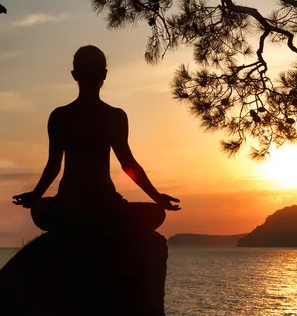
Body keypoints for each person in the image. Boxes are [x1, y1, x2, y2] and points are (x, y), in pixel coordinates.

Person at [13, 45, 180, 231]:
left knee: (39, 209)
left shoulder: (60, 116)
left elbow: (54, 165)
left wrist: (36, 196)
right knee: (156, 213)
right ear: (105, 74)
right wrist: (157, 197)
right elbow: (128, 164)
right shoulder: (115, 116)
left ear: (74, 75)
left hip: (70, 205)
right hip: (104, 204)